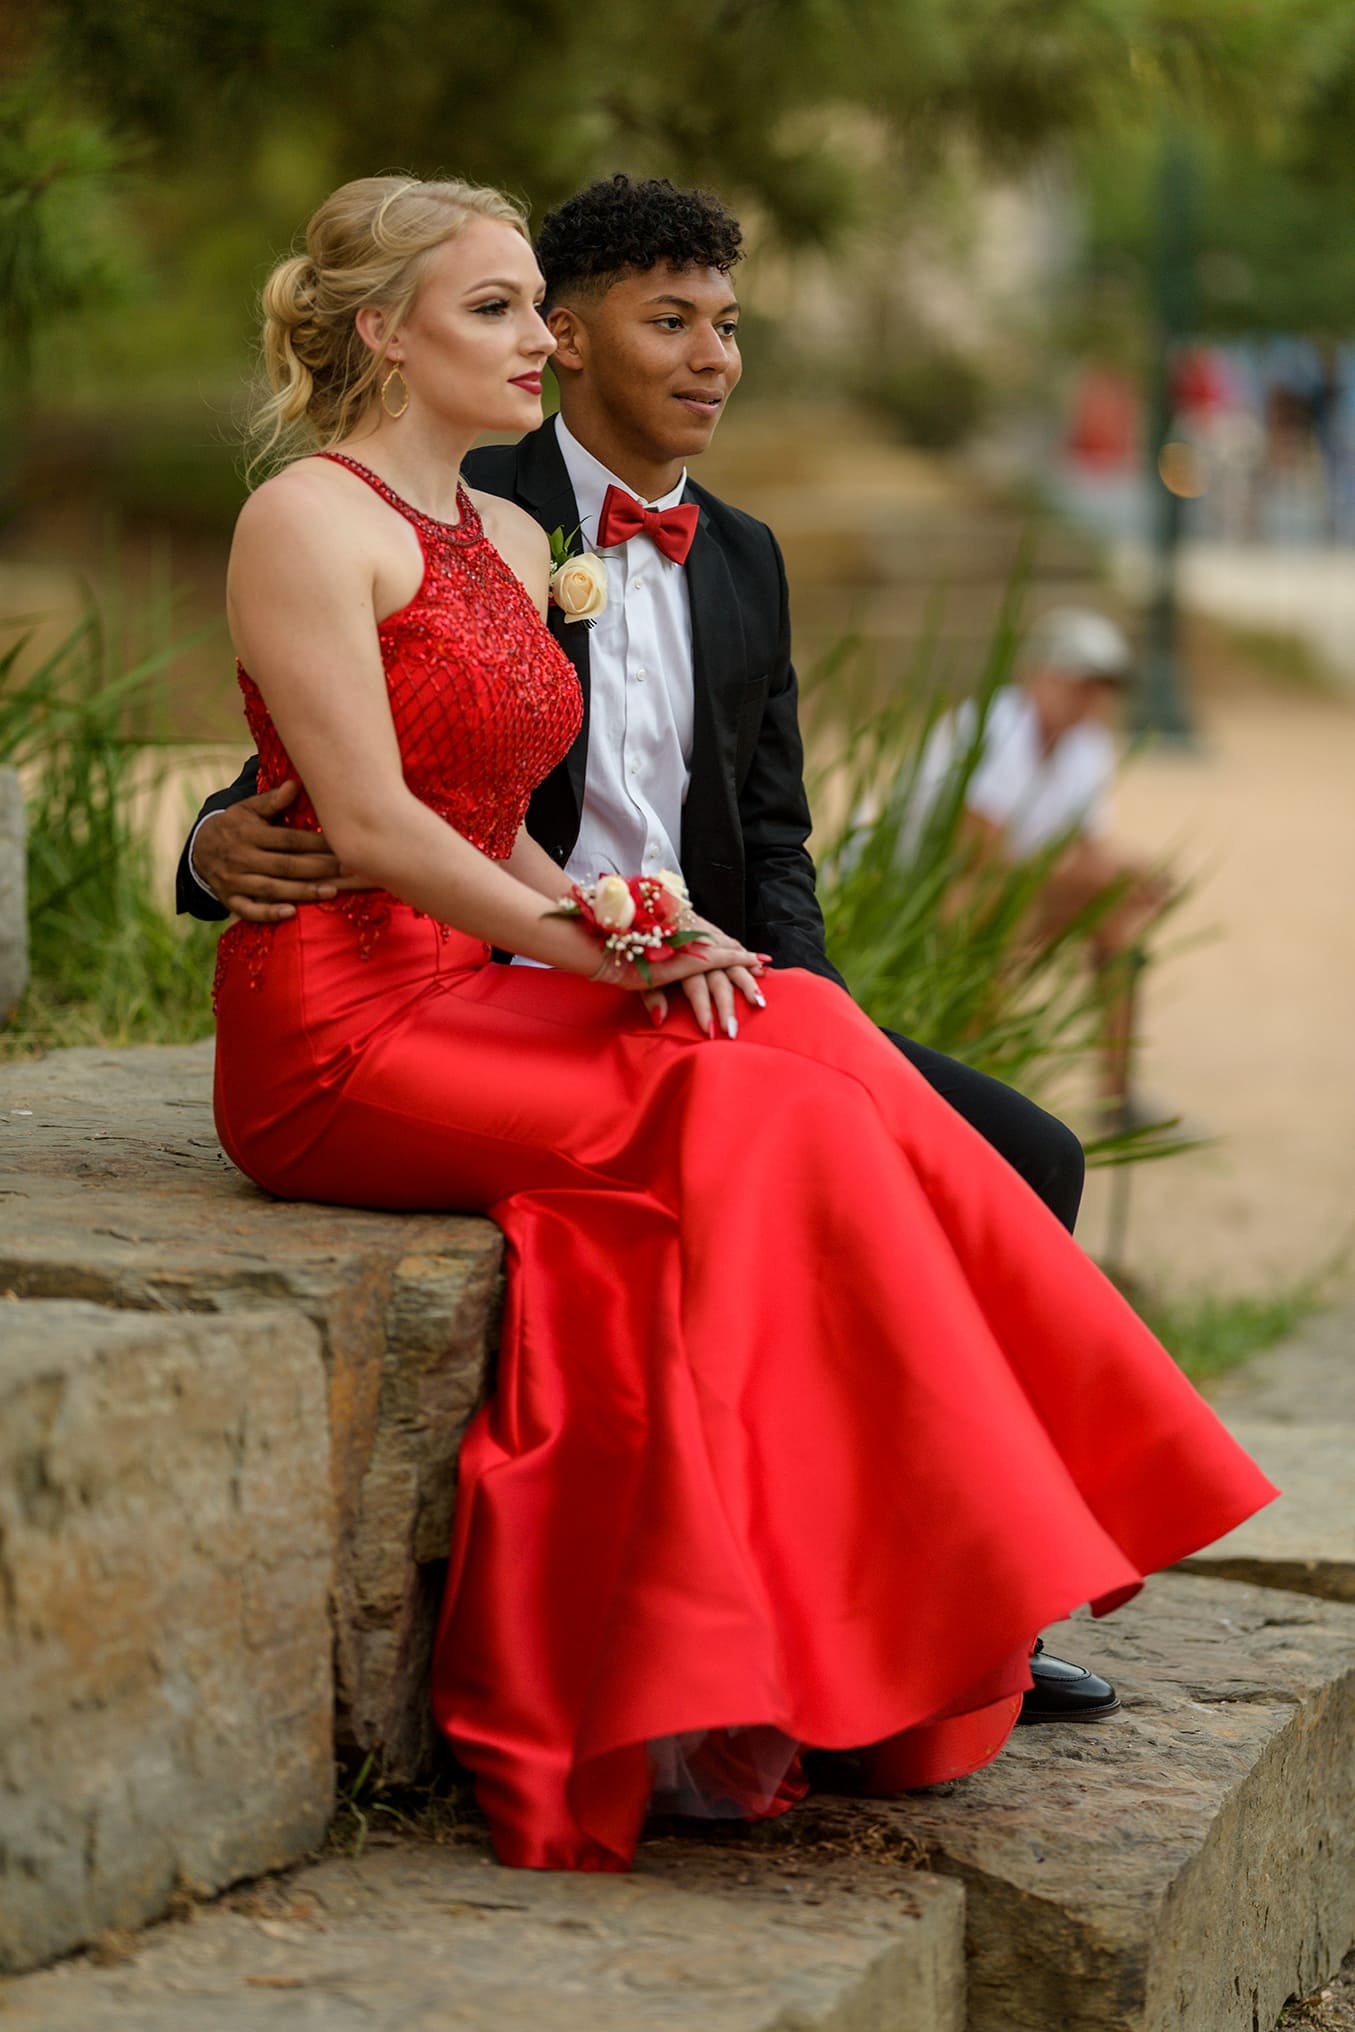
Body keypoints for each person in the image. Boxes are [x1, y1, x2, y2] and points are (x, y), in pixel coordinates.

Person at [207, 171, 1273, 1874]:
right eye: (500, 309)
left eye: (533, 307)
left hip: (541, 958)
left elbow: (657, 825)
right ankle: (787, 1644)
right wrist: (596, 942)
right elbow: (372, 816)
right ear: (378, 332)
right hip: (353, 1021)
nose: (539, 339)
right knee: (767, 1115)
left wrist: (691, 943)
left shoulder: (520, 542)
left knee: (823, 1055)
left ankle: (970, 1588)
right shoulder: (324, 518)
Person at [911, 608, 1173, 1125]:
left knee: (1117, 915)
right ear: (1039, 675)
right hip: (928, 895)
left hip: (1009, 889)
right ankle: (980, 1083)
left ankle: (1116, 1094)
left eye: (1101, 688)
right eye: (1081, 683)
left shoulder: (1086, 746)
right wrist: (1104, 872)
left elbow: (1086, 847)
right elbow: (976, 858)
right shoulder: (991, 729)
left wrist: (1130, 873)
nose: (1091, 700)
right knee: (989, 907)